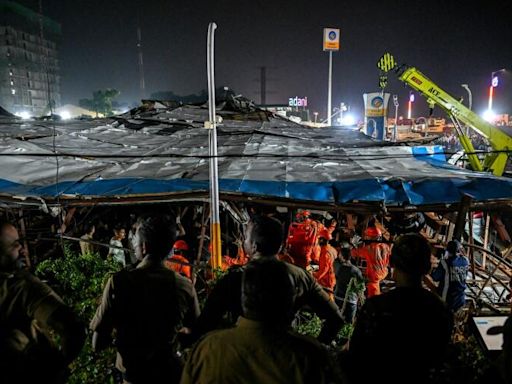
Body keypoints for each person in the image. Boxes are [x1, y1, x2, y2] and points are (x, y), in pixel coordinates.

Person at [181, 259, 340, 384]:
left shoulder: (207, 349)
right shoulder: (311, 357)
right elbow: (335, 318)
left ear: (244, 298)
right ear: (288, 301)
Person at [193, 215, 344, 344]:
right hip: (283, 358)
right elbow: (336, 319)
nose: (244, 242)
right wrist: (312, 349)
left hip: (241, 354)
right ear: (280, 246)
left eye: (246, 238)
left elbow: (204, 325)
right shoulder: (301, 277)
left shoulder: (235, 278)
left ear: (254, 246)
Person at [90, 214, 200, 384]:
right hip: (168, 374)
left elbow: (97, 344)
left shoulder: (119, 282)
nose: (133, 244)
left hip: (132, 376)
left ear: (144, 246)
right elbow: (196, 333)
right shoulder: (184, 286)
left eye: (135, 240)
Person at [346, 233, 454, 384]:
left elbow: (356, 359)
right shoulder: (441, 310)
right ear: (427, 267)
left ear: (391, 262)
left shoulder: (376, 309)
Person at [0, 220, 85, 383]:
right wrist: (57, 367)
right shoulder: (20, 286)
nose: (22, 250)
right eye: (15, 244)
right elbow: (73, 327)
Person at [431, 240, 470, 313]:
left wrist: (433, 270)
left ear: (448, 251)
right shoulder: (466, 261)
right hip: (460, 298)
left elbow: (435, 277)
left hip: (447, 299)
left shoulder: (444, 263)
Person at [351, 225, 390, 297]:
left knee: (373, 297)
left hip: (374, 277)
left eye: (367, 236)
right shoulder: (386, 246)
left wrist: (354, 244)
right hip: (384, 272)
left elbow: (353, 253)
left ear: (370, 237)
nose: (366, 238)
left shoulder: (368, 249)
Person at [334, 243, 364, 324]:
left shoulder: (338, 267)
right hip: (351, 301)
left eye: (339, 254)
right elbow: (361, 287)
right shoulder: (356, 270)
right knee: (349, 324)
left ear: (342, 256)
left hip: (338, 298)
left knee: (336, 322)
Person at [313, 228, 337, 299]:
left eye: (319, 238)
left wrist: (314, 277)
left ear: (322, 240)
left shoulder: (325, 252)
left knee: (327, 299)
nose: (318, 241)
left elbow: (324, 269)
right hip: (330, 278)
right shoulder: (332, 249)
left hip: (326, 281)